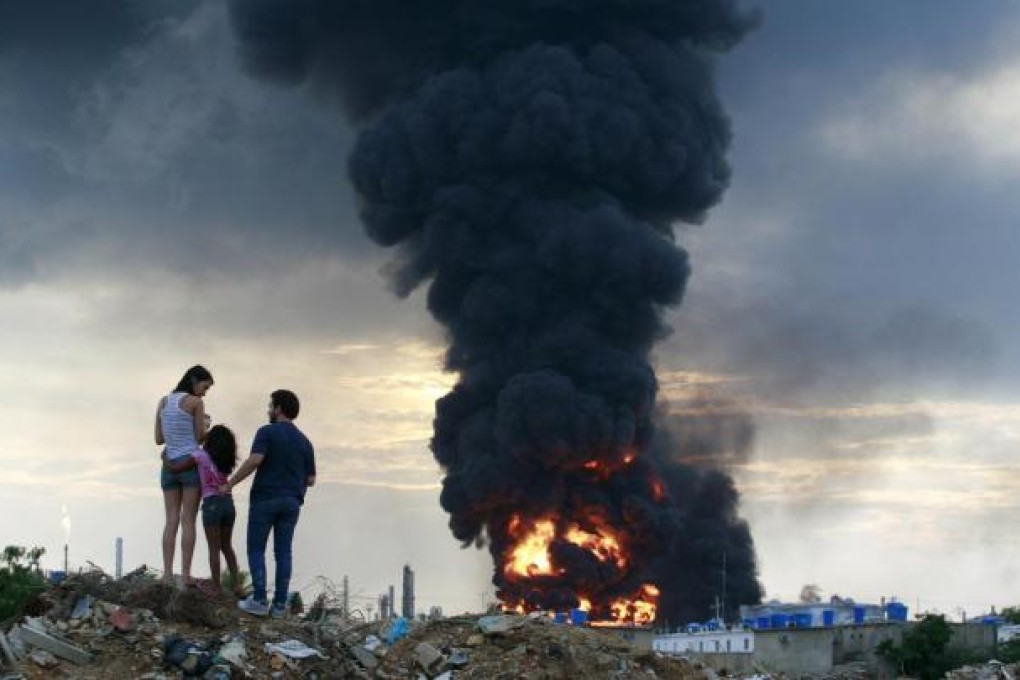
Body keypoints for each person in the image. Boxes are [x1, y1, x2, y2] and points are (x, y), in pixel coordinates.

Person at [223, 389, 315, 618]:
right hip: (292, 502)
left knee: (256, 548)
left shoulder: (266, 432)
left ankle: (260, 600)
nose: (268, 410)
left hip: (265, 498)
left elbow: (255, 459)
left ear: (279, 408)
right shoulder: (305, 442)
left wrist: (230, 483)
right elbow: (311, 479)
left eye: (270, 406)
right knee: (283, 552)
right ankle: (280, 606)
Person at [163, 424, 245, 597]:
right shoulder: (226, 461)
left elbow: (176, 469)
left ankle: (216, 586)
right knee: (227, 546)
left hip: (211, 504)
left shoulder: (200, 455)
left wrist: (164, 458)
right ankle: (237, 585)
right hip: (228, 504)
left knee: (214, 548)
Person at [155, 365, 213, 587]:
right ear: (194, 380)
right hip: (189, 465)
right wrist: (208, 430)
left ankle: (168, 575)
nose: (204, 393)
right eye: (204, 387)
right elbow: (199, 437)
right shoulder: (195, 403)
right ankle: (185, 576)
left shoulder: (163, 402)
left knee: (171, 520)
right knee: (188, 520)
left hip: (168, 466)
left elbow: (159, 439)